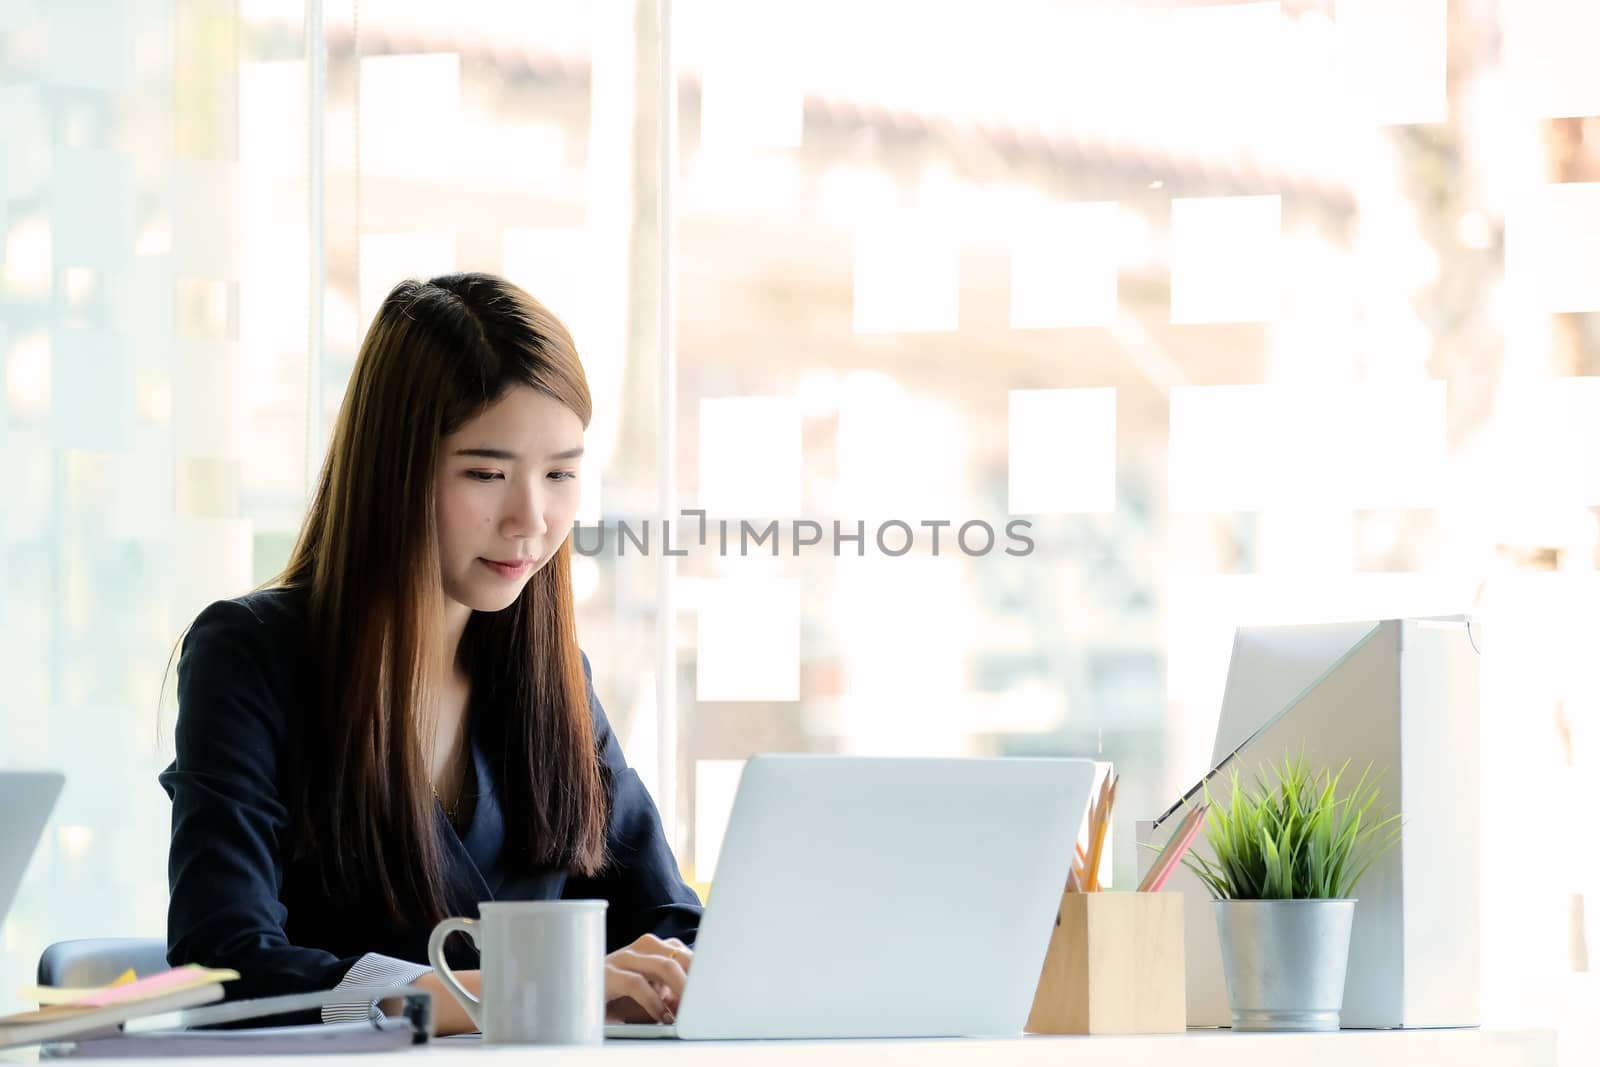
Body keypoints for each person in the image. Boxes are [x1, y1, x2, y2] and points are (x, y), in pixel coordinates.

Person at [160, 273, 700, 1034]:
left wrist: (679, 971)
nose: (531, 519)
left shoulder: (548, 676)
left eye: (561, 474)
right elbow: (227, 966)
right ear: (395, 470)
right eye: (485, 473)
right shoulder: (251, 657)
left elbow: (672, 921)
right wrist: (523, 989)